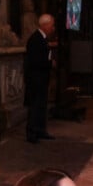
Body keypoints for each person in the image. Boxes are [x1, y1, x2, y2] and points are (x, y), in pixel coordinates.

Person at [24, 14, 56, 144]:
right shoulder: (35, 39)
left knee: (41, 105)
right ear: (45, 25)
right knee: (35, 106)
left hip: (42, 78)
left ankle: (40, 130)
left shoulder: (42, 39)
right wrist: (50, 64)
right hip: (36, 79)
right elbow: (36, 61)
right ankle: (32, 132)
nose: (53, 28)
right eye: (52, 25)